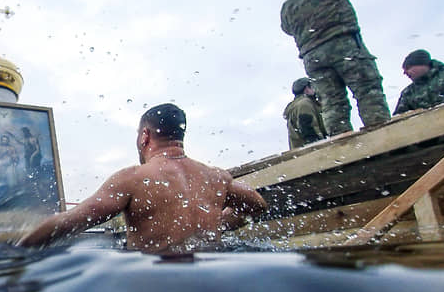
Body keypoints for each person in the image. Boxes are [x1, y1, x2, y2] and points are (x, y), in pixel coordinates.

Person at [17, 103, 267, 254]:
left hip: (154, 287)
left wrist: (13, 256)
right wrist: (219, 224)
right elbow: (257, 206)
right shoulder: (217, 177)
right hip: (211, 280)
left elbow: (69, 222)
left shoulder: (134, 179)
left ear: (145, 136)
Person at [280, 0, 391, 135]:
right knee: (367, 89)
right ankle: (383, 135)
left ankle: (342, 143)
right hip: (342, 43)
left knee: (331, 102)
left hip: (312, 57)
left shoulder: (288, 7)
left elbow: (287, 28)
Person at [393, 49, 444, 115]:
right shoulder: (408, 93)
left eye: (408, 68)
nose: (405, 73)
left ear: (421, 64)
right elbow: (399, 118)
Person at [283, 77, 327, 150]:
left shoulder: (299, 104)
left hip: (303, 152)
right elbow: (310, 132)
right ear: (307, 89)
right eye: (312, 86)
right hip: (312, 153)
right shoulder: (304, 104)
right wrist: (321, 150)